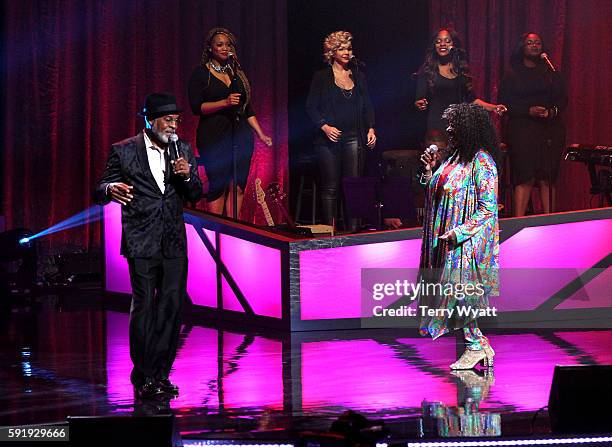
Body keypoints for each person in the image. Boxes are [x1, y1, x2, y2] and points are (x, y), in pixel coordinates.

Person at [94, 92, 202, 399]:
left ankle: (159, 374)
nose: (173, 126)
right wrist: (110, 188)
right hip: (141, 240)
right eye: (167, 120)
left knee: (171, 308)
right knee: (143, 307)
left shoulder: (182, 149)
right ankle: (143, 373)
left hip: (173, 242)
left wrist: (187, 174)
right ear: (150, 120)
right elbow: (100, 188)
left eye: (176, 120)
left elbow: (195, 192)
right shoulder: (124, 150)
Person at [417, 103, 499, 370]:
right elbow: (437, 191)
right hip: (447, 241)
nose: (449, 129)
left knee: (462, 294)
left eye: (455, 125)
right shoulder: (453, 160)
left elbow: (488, 207)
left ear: (469, 129)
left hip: (467, 242)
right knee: (454, 293)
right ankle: (477, 344)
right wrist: (430, 171)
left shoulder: (482, 161)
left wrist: (460, 233)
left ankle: (476, 344)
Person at [188, 27, 272, 218]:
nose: (225, 48)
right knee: (218, 185)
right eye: (220, 45)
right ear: (210, 48)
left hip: (240, 135)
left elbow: (246, 107)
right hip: (214, 135)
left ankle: (234, 232)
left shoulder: (237, 73)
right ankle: (215, 231)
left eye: (228, 45)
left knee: (238, 185)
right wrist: (223, 103)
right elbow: (196, 107)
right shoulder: (201, 73)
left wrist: (260, 134)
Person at [305, 31, 376, 230]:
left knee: (353, 186)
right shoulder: (321, 77)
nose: (346, 52)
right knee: (330, 188)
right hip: (328, 140)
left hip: (354, 138)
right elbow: (310, 106)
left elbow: (367, 105)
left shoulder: (358, 76)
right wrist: (324, 127)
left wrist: (371, 128)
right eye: (341, 48)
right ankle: (329, 232)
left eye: (349, 48)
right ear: (331, 52)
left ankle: (353, 232)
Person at [499, 32, 567, 216]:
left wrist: (551, 111)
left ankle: (549, 220)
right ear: (522, 47)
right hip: (522, 129)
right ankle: (519, 221)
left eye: (538, 43)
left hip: (549, 130)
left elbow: (563, 98)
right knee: (525, 176)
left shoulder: (550, 72)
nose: (534, 46)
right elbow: (504, 104)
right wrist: (528, 110)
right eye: (530, 43)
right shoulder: (512, 73)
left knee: (547, 177)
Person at [414, 27, 506, 136]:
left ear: (454, 45)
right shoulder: (427, 70)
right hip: (437, 125)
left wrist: (494, 107)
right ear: (434, 46)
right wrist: (419, 103)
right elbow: (419, 99)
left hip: (460, 125)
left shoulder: (461, 70)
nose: (442, 44)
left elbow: (472, 99)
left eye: (447, 41)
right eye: (438, 41)